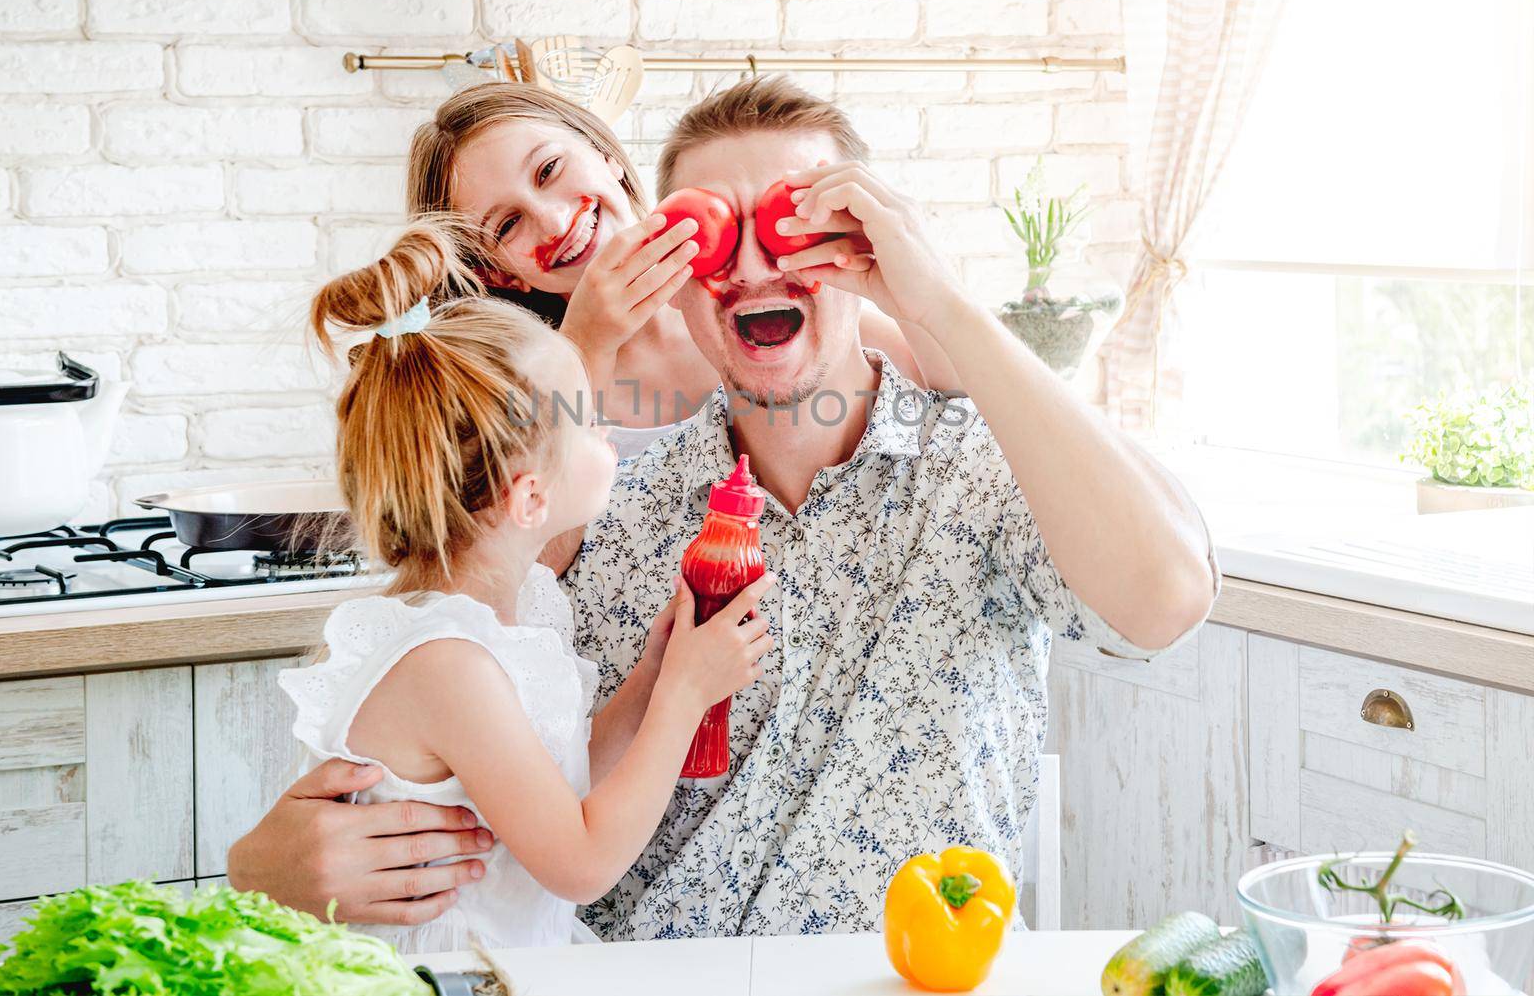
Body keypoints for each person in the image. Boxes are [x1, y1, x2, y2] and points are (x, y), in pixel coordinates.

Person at [230, 77, 1217, 938]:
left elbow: (1162, 598)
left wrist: (941, 301)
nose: (748, 264)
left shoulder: (966, 455)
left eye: (792, 227)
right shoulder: (569, 499)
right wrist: (266, 866)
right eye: (717, 236)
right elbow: (437, 680)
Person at [276, 219, 773, 950]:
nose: (606, 431)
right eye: (586, 420)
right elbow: (580, 862)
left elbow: (552, 783)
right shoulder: (444, 663)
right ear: (530, 498)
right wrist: (684, 696)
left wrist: (651, 678)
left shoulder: (512, 614)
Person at [403, 82, 953, 460]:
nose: (552, 221)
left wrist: (922, 278)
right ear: (499, 275)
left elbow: (959, 402)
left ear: (606, 156)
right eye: (507, 226)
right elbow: (532, 572)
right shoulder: (513, 390)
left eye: (549, 169)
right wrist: (583, 348)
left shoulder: (755, 295)